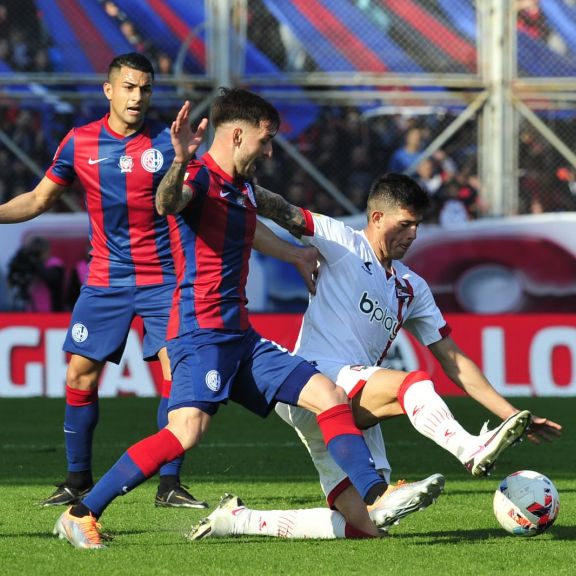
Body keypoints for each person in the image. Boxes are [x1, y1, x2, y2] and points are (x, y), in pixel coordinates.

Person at [51, 88, 426, 549]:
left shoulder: (243, 188)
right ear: (236, 134)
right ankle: (80, 513)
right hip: (199, 333)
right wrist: (177, 160)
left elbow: (265, 222)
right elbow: (168, 203)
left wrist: (297, 253)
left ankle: (376, 493)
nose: (269, 151)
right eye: (264, 141)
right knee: (185, 431)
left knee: (328, 394)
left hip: (241, 336)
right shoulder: (198, 178)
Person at [187, 172, 562, 541]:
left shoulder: (412, 287)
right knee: (413, 384)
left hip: (343, 406)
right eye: (405, 224)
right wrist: (234, 185)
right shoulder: (342, 240)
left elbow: (454, 359)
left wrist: (510, 415)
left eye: (417, 225)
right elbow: (285, 211)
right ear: (377, 217)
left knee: (367, 524)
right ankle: (468, 448)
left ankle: (237, 520)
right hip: (314, 380)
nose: (412, 234)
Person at [0, 53, 208, 509]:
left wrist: (180, 160)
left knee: (177, 375)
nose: (138, 97)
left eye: (146, 89)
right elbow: (38, 199)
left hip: (164, 280)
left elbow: (180, 203)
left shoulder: (167, 141)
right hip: (105, 280)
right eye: (129, 87)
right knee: (79, 372)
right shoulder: (79, 142)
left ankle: (169, 484)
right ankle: (77, 480)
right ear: (109, 90)